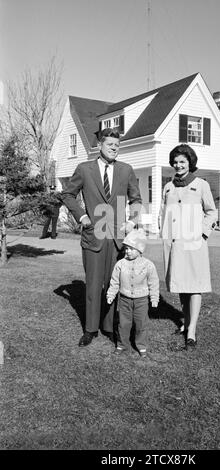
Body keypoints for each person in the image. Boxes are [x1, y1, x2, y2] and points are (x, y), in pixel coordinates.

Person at [61, 128, 142, 347]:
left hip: (117, 235)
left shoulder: (126, 170)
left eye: (117, 145)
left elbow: (136, 200)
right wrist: (82, 216)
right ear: (99, 146)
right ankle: (90, 329)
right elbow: (67, 194)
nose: (114, 148)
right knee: (94, 285)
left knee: (114, 284)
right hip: (93, 234)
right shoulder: (84, 169)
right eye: (110, 145)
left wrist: (132, 221)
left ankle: (109, 327)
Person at [159, 144, 217, 350]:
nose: (178, 165)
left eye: (182, 161)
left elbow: (212, 212)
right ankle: (185, 321)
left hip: (194, 243)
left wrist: (202, 233)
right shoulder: (168, 186)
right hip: (174, 243)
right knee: (181, 284)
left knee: (195, 284)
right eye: (175, 162)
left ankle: (192, 328)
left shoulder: (201, 184)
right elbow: (163, 213)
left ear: (190, 162)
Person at [106, 228, 159, 357]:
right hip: (124, 299)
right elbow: (114, 282)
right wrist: (111, 294)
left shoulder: (148, 265)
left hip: (141, 301)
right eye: (126, 248)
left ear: (140, 250)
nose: (127, 251)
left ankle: (141, 345)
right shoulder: (120, 264)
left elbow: (153, 282)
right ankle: (122, 344)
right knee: (123, 324)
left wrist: (154, 298)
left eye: (131, 248)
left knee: (141, 324)